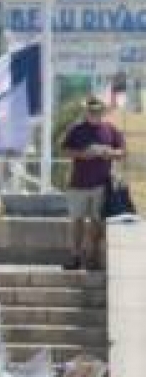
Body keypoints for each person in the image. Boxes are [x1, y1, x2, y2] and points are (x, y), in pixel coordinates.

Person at [61, 96, 126, 271]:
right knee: (77, 221)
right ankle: (75, 256)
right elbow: (65, 150)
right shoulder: (75, 129)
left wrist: (108, 152)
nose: (94, 113)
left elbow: (122, 152)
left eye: (97, 111)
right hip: (78, 184)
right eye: (91, 111)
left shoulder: (111, 130)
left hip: (100, 185)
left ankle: (93, 257)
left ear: (102, 111)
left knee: (97, 222)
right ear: (86, 111)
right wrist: (83, 154)